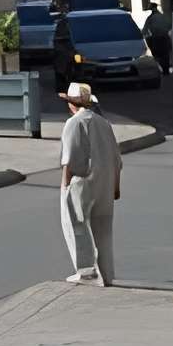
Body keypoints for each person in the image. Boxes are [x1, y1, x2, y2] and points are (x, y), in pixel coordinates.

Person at [59, 78, 122, 285]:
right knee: (103, 227)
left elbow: (70, 157)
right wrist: (115, 187)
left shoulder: (74, 123)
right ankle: (107, 273)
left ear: (71, 103)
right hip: (105, 181)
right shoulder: (103, 123)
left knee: (77, 223)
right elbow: (116, 158)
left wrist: (65, 184)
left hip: (82, 181)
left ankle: (86, 271)